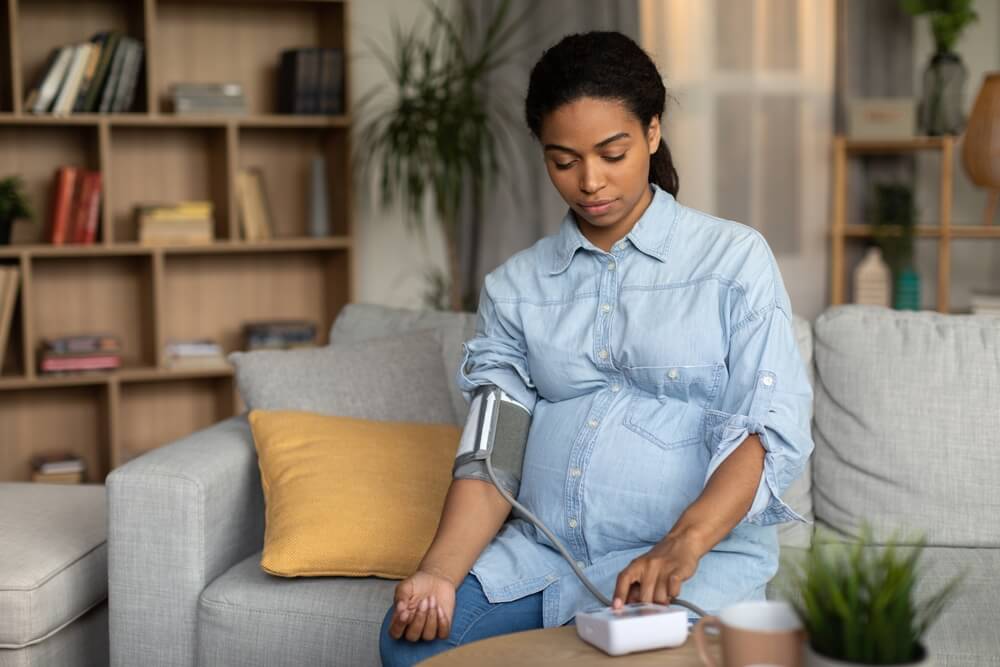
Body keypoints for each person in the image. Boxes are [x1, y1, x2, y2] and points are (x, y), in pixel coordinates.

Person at [379, 30, 813, 666]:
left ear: (653, 132)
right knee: (408, 647)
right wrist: (439, 573)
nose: (590, 182)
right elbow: (491, 456)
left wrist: (682, 544)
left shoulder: (733, 260)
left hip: (691, 564)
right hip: (543, 559)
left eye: (613, 153)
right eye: (564, 160)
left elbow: (767, 430)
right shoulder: (516, 288)